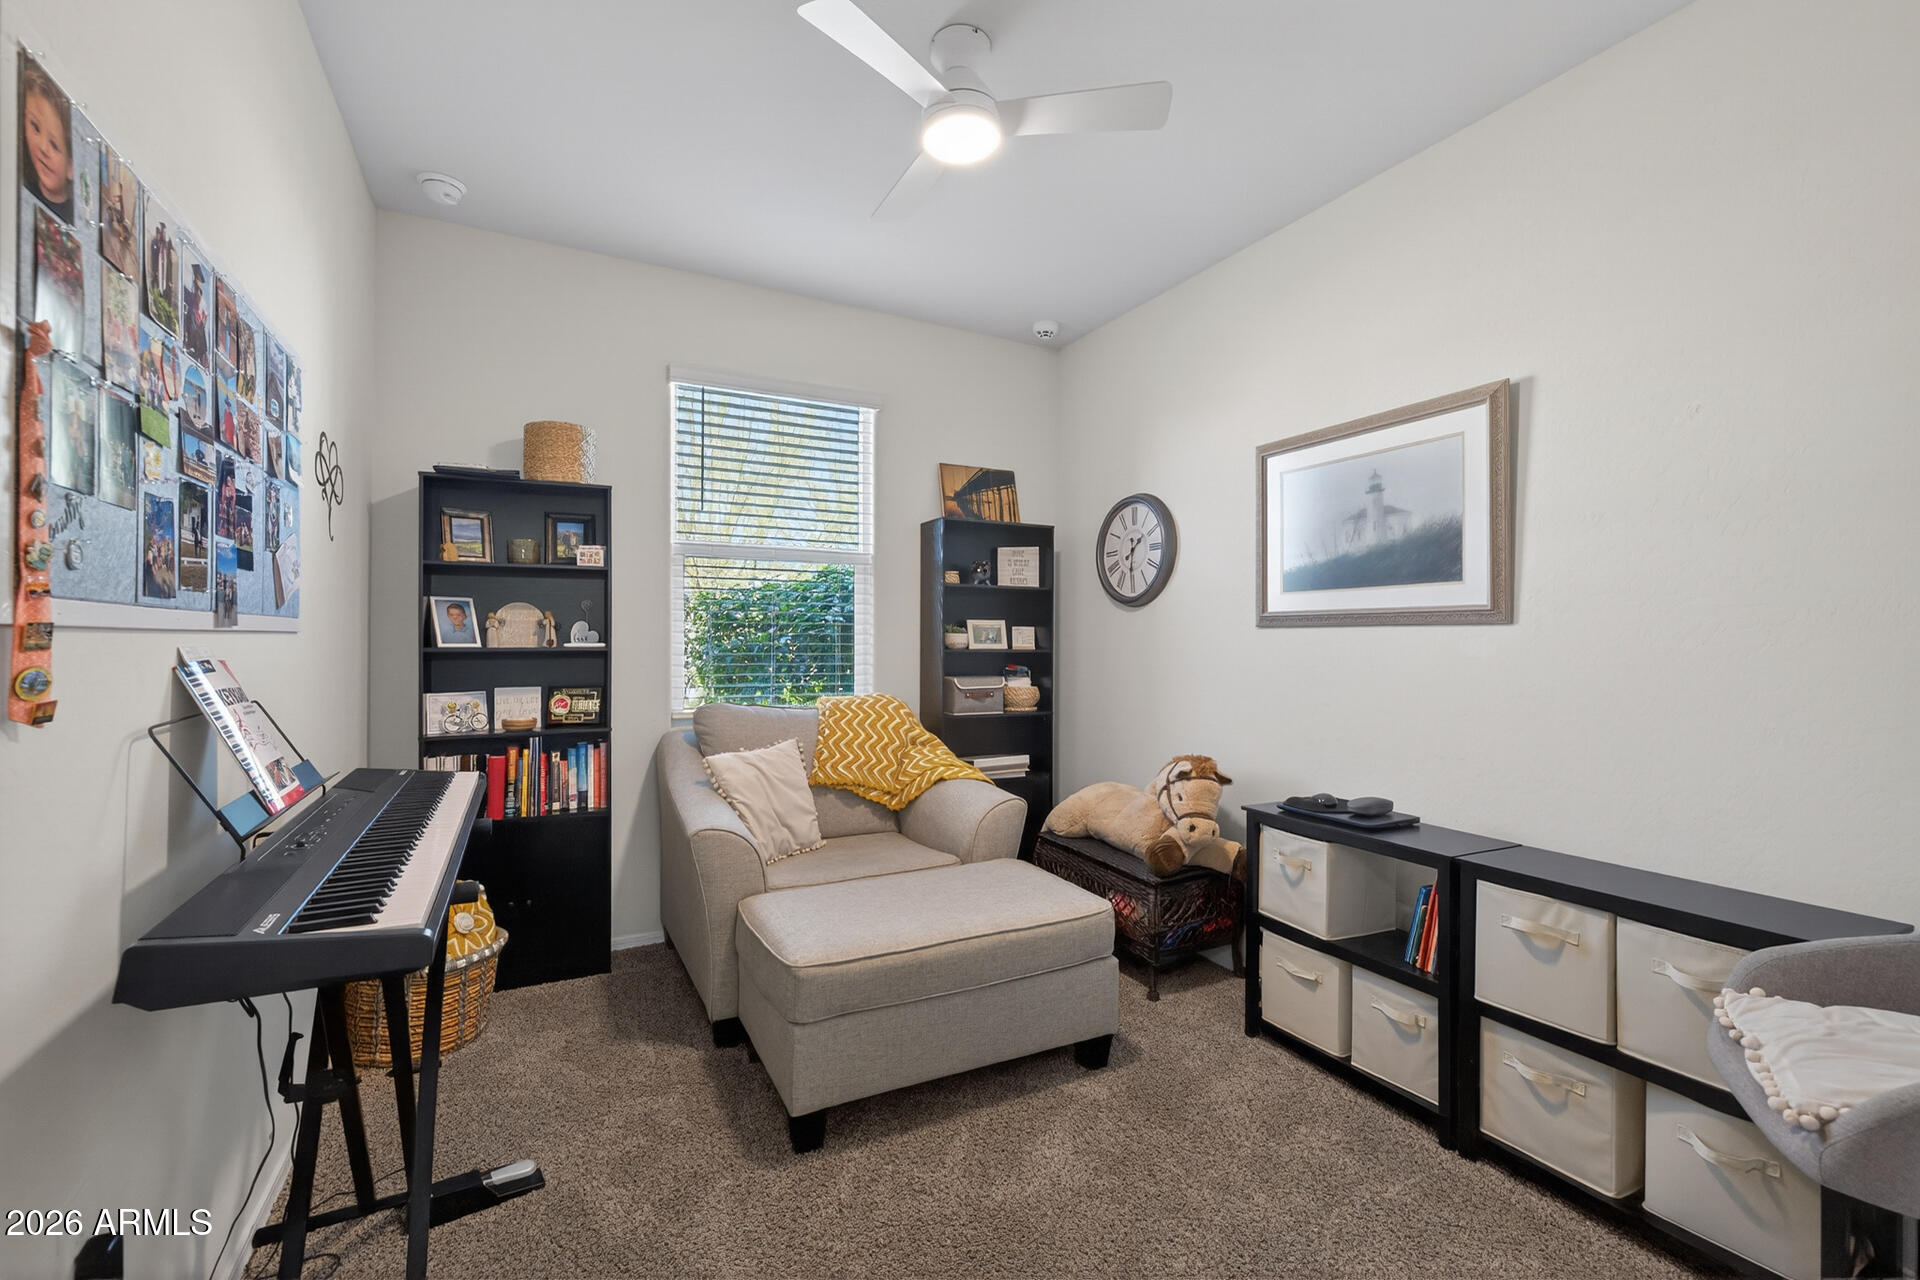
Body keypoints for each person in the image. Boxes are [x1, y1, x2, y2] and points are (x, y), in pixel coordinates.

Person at [21, 60, 73, 223]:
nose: (43, 148)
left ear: (71, 166)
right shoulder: (21, 189)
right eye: (35, 127)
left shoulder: (71, 220)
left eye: (54, 145)